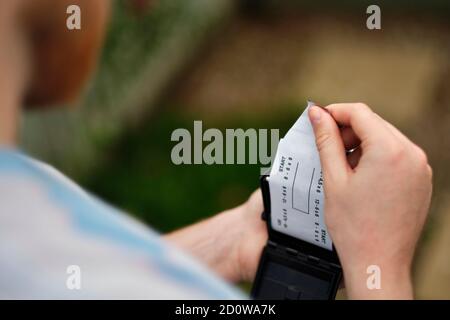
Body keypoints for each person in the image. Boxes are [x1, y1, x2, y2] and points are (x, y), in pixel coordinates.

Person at [0, 0, 432, 299]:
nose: (141, 5)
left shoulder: (24, 200)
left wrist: (235, 238)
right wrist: (381, 271)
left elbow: (81, 279)